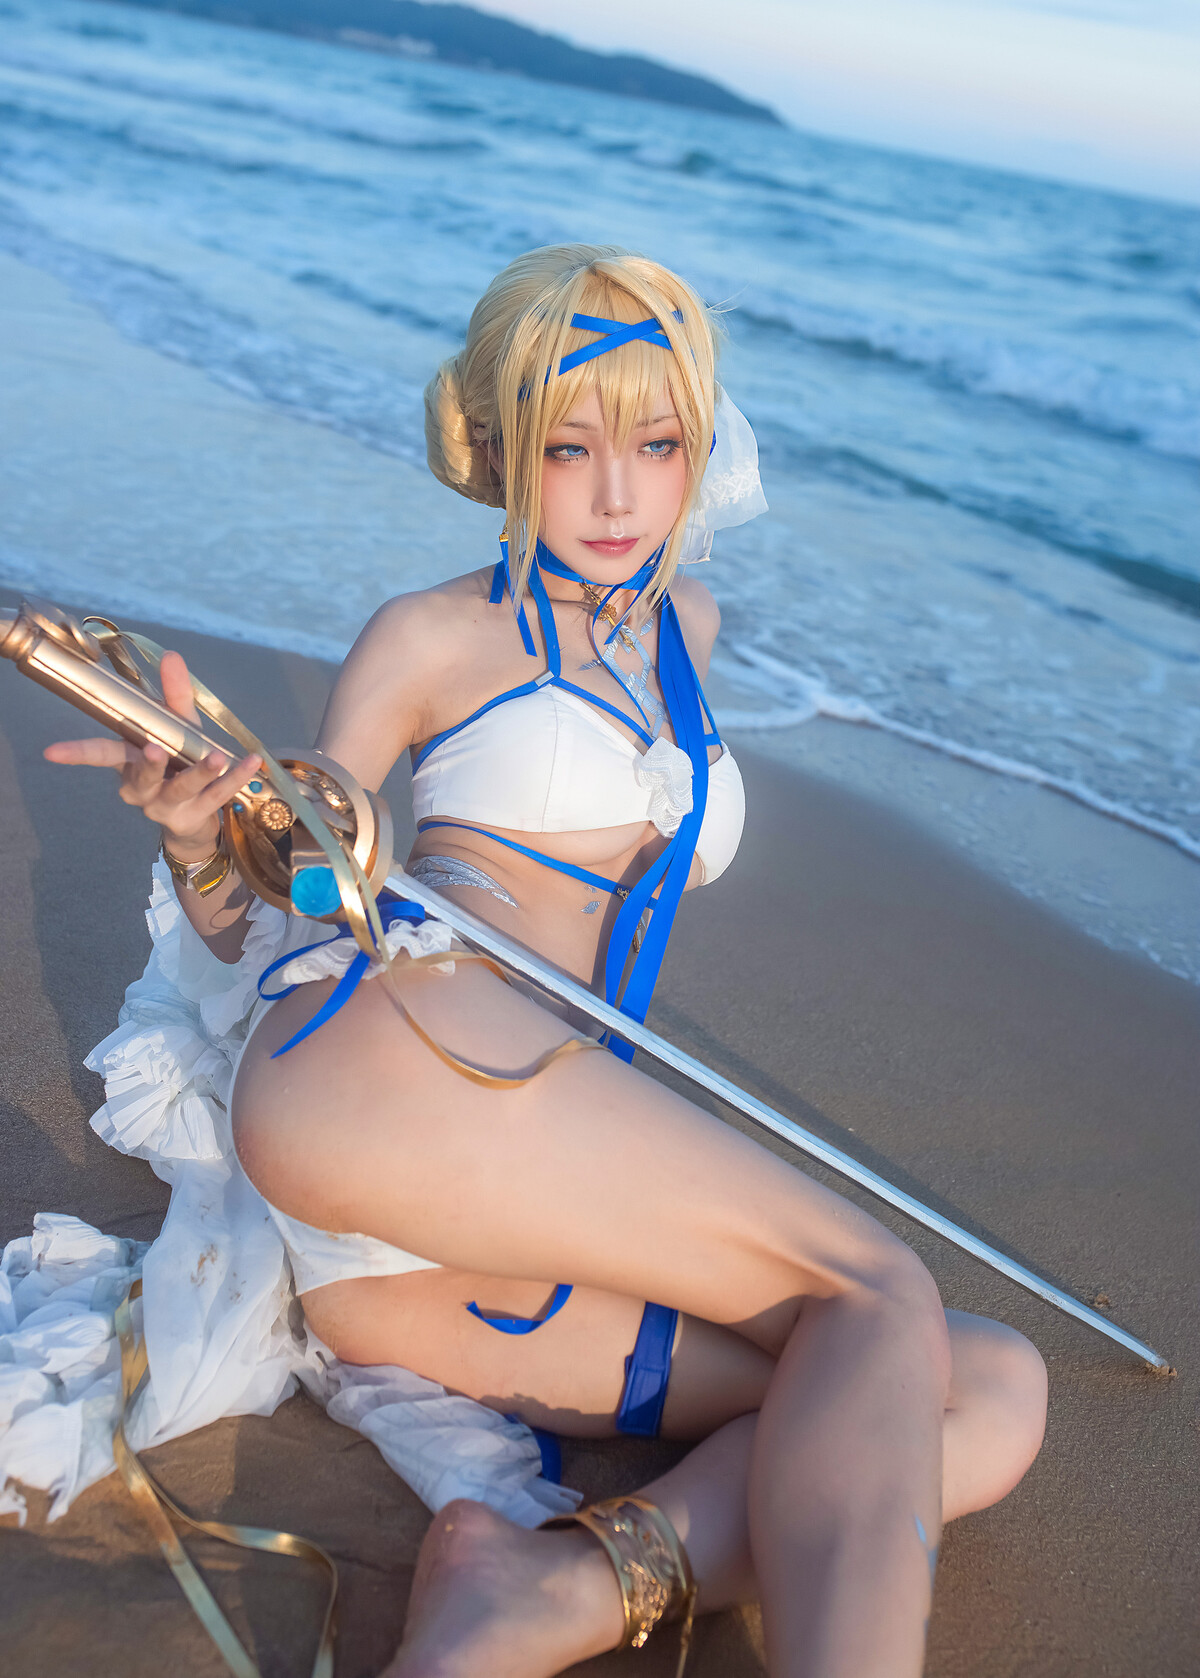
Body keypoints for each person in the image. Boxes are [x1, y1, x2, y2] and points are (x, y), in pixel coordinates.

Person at [37, 244, 1046, 1678]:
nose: (619, 495)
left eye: (658, 445)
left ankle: (545, 1592)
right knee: (873, 1290)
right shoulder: (431, 635)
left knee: (978, 1382)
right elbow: (318, 846)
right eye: (572, 449)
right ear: (504, 448)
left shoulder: (690, 629)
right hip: (394, 1059)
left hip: (465, 1226)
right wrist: (216, 832)